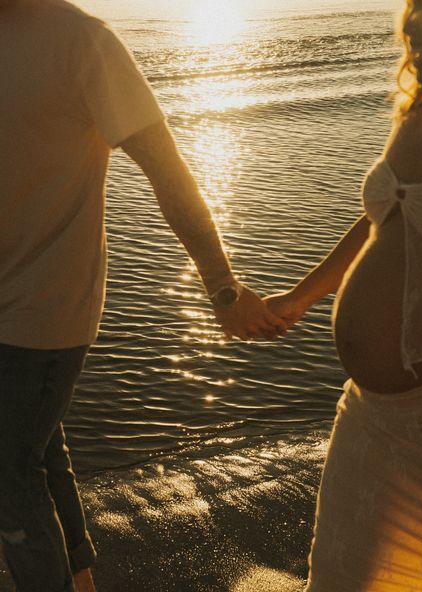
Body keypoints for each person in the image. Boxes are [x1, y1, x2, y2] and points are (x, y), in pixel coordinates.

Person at [0, 0, 286, 591]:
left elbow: (167, 169)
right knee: (37, 453)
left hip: (43, 307)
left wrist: (222, 287)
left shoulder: (83, 41)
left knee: (7, 475)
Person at [265, 0, 422, 589]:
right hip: (370, 420)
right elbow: (382, 219)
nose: (409, 33)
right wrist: (301, 297)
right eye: (410, 21)